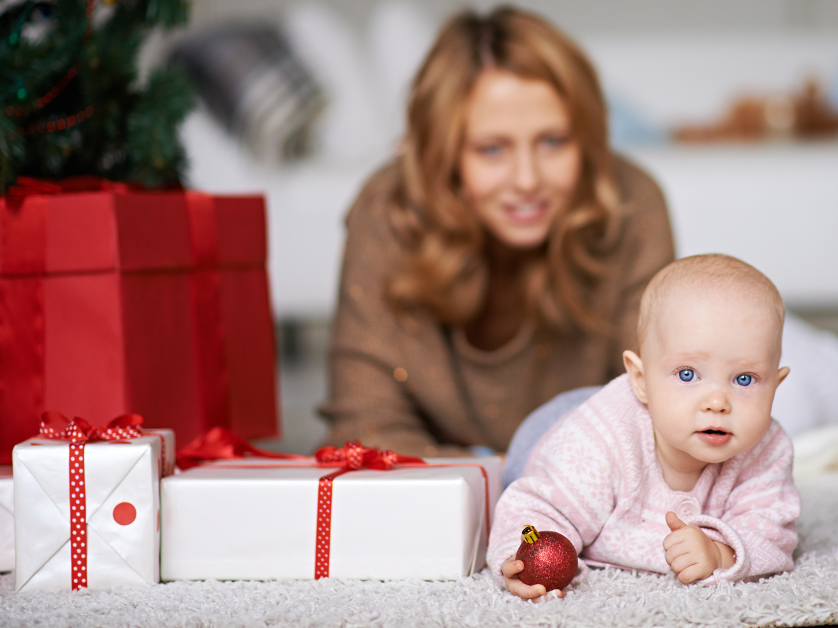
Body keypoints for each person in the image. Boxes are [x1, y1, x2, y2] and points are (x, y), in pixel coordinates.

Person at [318, 7, 675, 457]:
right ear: (445, 157)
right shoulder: (388, 208)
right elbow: (363, 422)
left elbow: (660, 415)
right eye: (491, 149)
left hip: (578, 492)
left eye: (553, 142)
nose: (526, 180)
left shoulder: (630, 200)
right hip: (458, 495)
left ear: (585, 140)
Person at [489, 254, 801, 600]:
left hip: (632, 412)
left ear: (775, 385)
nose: (717, 402)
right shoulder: (598, 440)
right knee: (515, 474)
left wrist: (721, 553)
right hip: (548, 431)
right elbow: (538, 509)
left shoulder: (767, 448)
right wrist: (522, 561)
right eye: (687, 374)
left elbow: (771, 532)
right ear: (639, 379)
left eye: (744, 379)